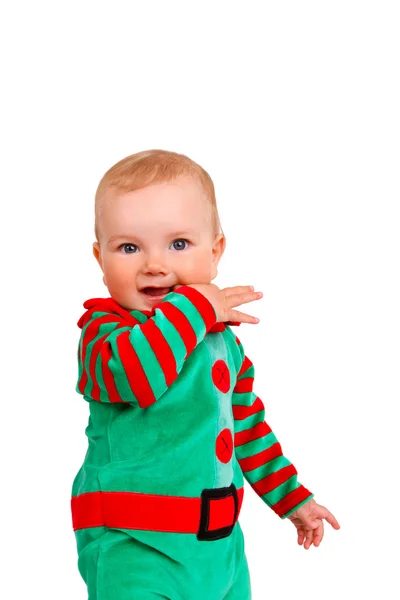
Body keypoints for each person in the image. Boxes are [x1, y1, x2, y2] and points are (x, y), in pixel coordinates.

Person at [71, 149, 340, 599]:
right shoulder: (103, 336)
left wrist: (292, 500)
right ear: (100, 259)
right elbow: (140, 375)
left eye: (178, 244)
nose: (154, 264)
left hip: (218, 545)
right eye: (129, 247)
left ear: (215, 253)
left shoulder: (222, 343)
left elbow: (248, 430)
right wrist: (195, 306)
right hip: (134, 543)